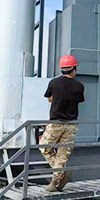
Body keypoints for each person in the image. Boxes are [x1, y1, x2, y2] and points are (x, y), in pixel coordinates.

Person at [39, 55, 85, 192]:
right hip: (71, 125)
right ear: (74, 69)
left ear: (62, 69)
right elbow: (79, 100)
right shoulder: (79, 86)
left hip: (56, 123)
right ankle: (57, 179)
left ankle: (60, 175)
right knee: (62, 154)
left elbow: (50, 99)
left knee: (44, 147)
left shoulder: (54, 83)